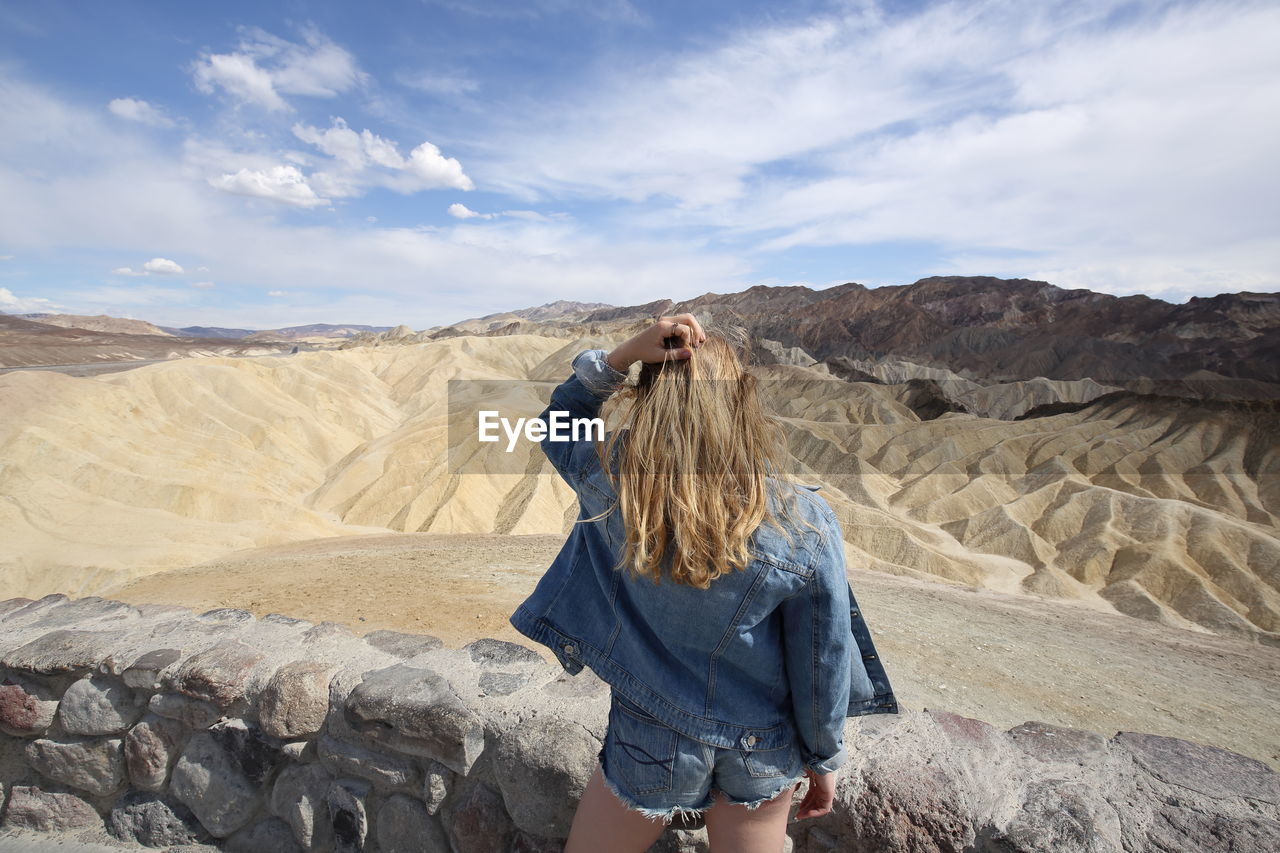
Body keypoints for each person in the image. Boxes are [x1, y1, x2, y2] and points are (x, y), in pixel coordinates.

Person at [509, 314, 898, 852]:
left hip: (649, 732)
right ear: (740, 403)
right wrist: (824, 758)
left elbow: (559, 422)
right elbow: (822, 657)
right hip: (761, 743)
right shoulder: (802, 520)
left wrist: (622, 357)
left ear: (649, 399)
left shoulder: (613, 483)